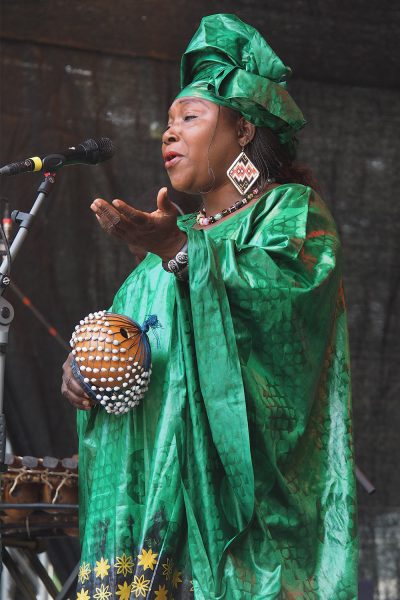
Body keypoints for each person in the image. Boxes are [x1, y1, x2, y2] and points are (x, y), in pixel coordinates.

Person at [62, 14, 358, 600]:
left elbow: (282, 307)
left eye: (189, 119)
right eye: (167, 124)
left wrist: (177, 247)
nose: (168, 135)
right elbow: (132, 348)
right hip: (158, 518)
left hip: (242, 532)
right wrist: (83, 375)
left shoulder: (289, 213)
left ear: (243, 129)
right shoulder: (155, 256)